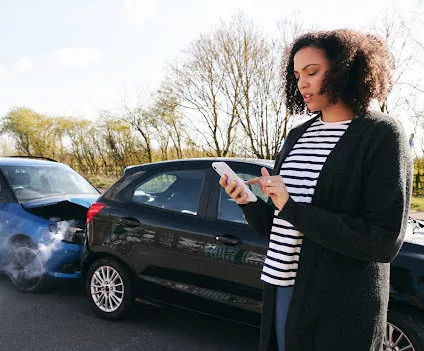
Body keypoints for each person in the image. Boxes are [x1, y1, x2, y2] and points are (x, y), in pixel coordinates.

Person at [219, 29, 413, 351]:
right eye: (296, 75)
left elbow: (383, 241)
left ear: (345, 70)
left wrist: (293, 207)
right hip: (283, 289)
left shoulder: (381, 134)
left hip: (339, 306)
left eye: (312, 72)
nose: (302, 84)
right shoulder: (297, 136)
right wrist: (250, 203)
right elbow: (281, 227)